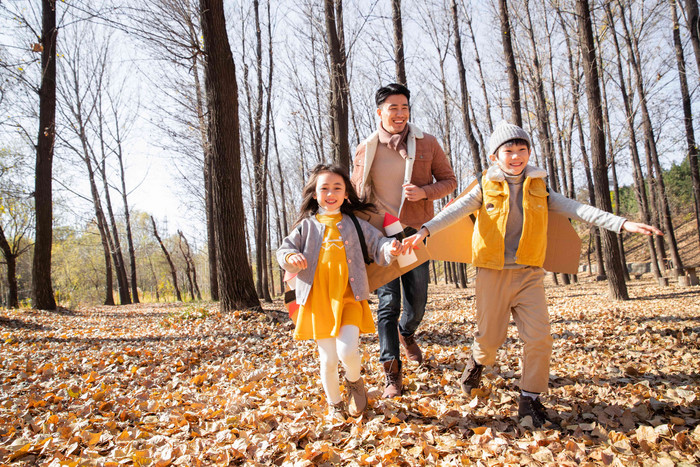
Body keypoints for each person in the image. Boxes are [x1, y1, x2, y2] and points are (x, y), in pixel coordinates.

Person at [403, 121, 663, 428]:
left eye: (522, 150)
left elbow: (577, 209)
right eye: (508, 151)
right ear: (494, 157)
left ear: (529, 153)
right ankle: (477, 363)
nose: (516, 157)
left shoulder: (540, 186)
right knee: (490, 340)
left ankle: (529, 400)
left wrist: (622, 224)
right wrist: (424, 231)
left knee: (539, 338)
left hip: (529, 273)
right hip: (492, 273)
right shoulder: (485, 184)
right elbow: (453, 211)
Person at [351, 83, 457, 397]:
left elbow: (449, 181)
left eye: (404, 107)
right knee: (387, 304)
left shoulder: (426, 143)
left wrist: (425, 192)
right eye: (393, 108)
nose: (400, 114)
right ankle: (392, 375)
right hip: (381, 237)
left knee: (418, 302)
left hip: (415, 233)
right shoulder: (366, 148)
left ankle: (406, 332)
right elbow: (356, 195)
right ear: (379, 112)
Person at [277, 164, 403, 418]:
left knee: (348, 351)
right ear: (315, 194)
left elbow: (378, 244)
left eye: (337, 188)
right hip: (318, 300)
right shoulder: (307, 226)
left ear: (346, 194)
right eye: (324, 188)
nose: (331, 193)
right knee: (328, 359)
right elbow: (284, 250)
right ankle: (335, 405)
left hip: (348, 296)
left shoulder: (354, 224)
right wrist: (291, 256)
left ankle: (354, 382)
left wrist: (390, 248)